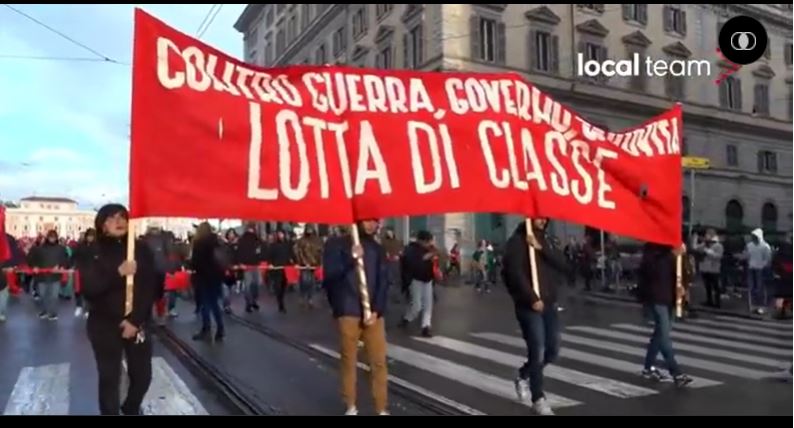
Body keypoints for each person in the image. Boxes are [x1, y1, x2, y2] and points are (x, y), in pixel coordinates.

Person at [81, 204, 158, 415]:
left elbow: (150, 287)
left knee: (142, 376)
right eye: (112, 218)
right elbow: (90, 289)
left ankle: (131, 407)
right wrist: (118, 273)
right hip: (104, 324)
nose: (119, 221)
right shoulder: (91, 251)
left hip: (137, 323)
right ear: (102, 224)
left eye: (123, 217)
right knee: (109, 378)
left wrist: (135, 320)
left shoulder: (140, 249)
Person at [501, 219, 568, 416]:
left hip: (549, 303)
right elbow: (513, 274)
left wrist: (540, 248)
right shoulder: (517, 242)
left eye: (544, 217)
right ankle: (538, 398)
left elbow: (563, 265)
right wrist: (531, 297)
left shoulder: (546, 240)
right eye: (537, 216)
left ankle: (524, 374)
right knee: (537, 350)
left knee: (552, 350)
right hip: (529, 305)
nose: (542, 220)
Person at [322, 220, 389, 416]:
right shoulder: (336, 245)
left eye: (375, 221)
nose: (371, 225)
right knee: (349, 360)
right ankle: (350, 405)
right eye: (367, 220)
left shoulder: (377, 249)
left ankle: (381, 408)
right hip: (348, 309)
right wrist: (351, 259)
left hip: (373, 313)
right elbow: (330, 276)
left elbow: (383, 280)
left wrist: (377, 309)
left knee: (378, 361)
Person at [636, 242, 693, 388]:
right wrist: (673, 255)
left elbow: (685, 274)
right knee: (663, 335)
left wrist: (682, 256)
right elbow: (650, 273)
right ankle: (676, 373)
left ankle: (648, 368)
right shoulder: (653, 253)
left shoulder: (672, 253)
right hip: (657, 298)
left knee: (660, 335)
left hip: (669, 298)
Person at [190, 222, 226, 341]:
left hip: (203, 277)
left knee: (205, 304)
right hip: (216, 276)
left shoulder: (198, 243)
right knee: (214, 303)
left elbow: (195, 262)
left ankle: (206, 329)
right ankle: (220, 328)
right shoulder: (217, 242)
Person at [398, 230, 436, 337]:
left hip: (428, 279)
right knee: (417, 305)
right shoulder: (411, 249)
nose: (429, 243)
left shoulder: (430, 249)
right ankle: (407, 318)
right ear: (421, 240)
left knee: (428, 305)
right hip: (416, 280)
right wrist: (427, 256)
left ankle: (426, 327)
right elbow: (412, 263)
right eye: (427, 241)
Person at [30, 229, 69, 321]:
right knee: (43, 295)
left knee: (54, 296)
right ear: (47, 238)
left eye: (54, 237)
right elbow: (31, 258)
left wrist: (61, 266)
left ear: (56, 238)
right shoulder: (39, 249)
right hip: (42, 277)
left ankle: (53, 313)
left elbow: (66, 260)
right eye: (51, 237)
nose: (52, 239)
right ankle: (44, 311)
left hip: (55, 277)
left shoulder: (61, 249)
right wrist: (34, 266)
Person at [235, 223, 263, 313]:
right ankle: (248, 303)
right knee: (248, 285)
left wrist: (260, 258)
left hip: (255, 265)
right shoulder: (242, 239)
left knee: (256, 284)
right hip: (247, 265)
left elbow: (260, 250)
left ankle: (253, 300)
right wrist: (240, 263)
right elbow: (239, 252)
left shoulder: (257, 239)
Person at [294, 226, 323, 309]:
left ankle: (310, 298)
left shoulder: (317, 240)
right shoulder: (302, 241)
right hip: (304, 265)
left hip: (313, 264)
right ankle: (303, 296)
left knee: (312, 282)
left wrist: (319, 262)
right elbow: (299, 252)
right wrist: (303, 262)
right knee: (305, 281)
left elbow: (319, 252)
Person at [693, 228, 723, 308]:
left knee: (715, 287)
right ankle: (709, 301)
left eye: (708, 234)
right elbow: (695, 248)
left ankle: (717, 303)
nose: (706, 236)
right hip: (705, 268)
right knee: (707, 286)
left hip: (714, 269)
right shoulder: (704, 244)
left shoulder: (718, 245)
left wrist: (707, 251)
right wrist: (695, 239)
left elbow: (718, 256)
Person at [745, 228, 772, 314]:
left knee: (760, 288)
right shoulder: (749, 245)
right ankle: (753, 306)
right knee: (752, 288)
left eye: (755, 236)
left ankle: (761, 306)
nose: (753, 238)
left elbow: (768, 258)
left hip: (760, 269)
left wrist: (763, 266)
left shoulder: (765, 246)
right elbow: (747, 255)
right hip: (751, 268)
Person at [73, 228, 97, 318]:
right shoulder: (80, 245)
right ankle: (79, 306)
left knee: (89, 291)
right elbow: (74, 256)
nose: (90, 238)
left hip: (92, 272)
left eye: (92, 236)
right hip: (80, 270)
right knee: (78, 290)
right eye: (88, 236)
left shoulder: (97, 246)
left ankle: (87, 309)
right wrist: (72, 265)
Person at [268, 230, 294, 314]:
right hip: (277, 269)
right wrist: (270, 264)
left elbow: (291, 255)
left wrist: (294, 262)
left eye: (282, 234)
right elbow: (269, 256)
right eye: (279, 234)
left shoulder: (287, 245)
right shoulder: (273, 246)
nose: (280, 236)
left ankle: (281, 299)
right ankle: (280, 304)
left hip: (285, 269)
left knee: (283, 286)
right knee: (278, 287)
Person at [0, 233, 23, 322]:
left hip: (4, 274)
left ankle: (1, 313)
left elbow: (15, 253)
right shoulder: (8, 239)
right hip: (4, 272)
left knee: (3, 294)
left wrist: (12, 266)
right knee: (3, 294)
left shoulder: (8, 239)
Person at [772, 232, 792, 320]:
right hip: (790, 275)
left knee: (780, 294)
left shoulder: (780, 251)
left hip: (781, 274)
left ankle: (779, 311)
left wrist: (776, 272)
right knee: (789, 294)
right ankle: (787, 310)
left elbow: (775, 261)